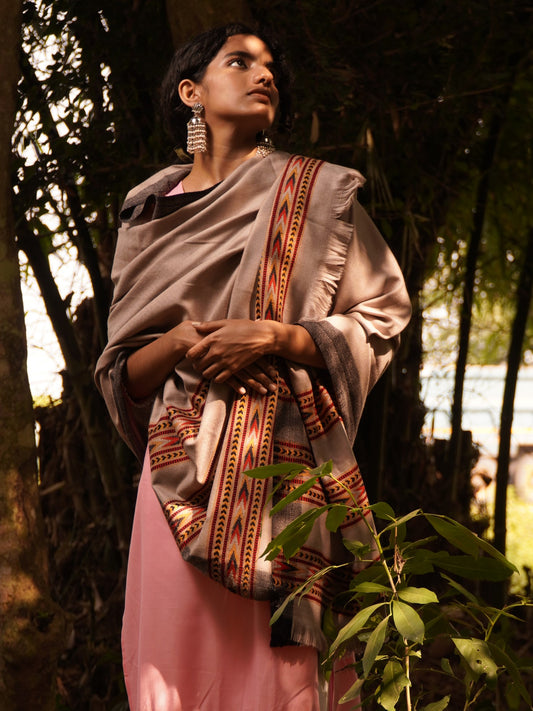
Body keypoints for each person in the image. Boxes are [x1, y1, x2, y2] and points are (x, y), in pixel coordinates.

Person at [95, 22, 411, 711]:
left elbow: (384, 313)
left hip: (281, 469)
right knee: (175, 665)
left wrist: (274, 336)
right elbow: (123, 374)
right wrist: (183, 342)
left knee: (277, 671)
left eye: (270, 67)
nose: (264, 74)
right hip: (175, 470)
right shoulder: (147, 212)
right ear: (191, 92)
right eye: (240, 62)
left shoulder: (315, 196)